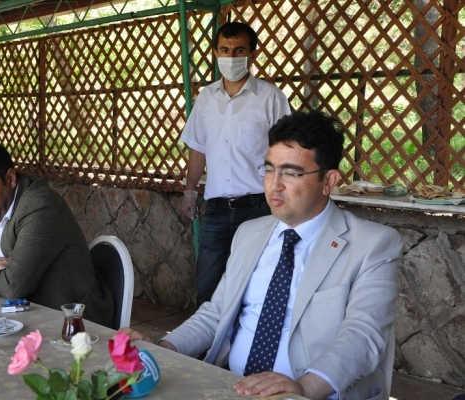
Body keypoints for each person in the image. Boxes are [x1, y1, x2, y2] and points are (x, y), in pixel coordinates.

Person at [123, 111, 402, 399]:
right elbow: (216, 313)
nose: (274, 184)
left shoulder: (371, 245)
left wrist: (303, 388)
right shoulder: (249, 233)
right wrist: (164, 349)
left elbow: (363, 336)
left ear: (329, 181)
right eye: (269, 169)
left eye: (291, 173)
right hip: (232, 386)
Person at [180, 22, 292, 306]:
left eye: (239, 50)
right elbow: (198, 148)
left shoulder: (270, 97)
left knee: (256, 286)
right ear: (215, 53)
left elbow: (287, 151)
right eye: (225, 50)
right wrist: (190, 191)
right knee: (208, 287)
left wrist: (283, 197)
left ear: (253, 53)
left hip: (258, 207)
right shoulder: (205, 98)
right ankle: (207, 337)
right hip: (215, 210)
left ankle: (245, 337)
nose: (231, 57)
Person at [0, 141, 114, 327]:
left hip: (71, 321)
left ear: (10, 179)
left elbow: (13, 286)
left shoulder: (40, 207)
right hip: (18, 316)